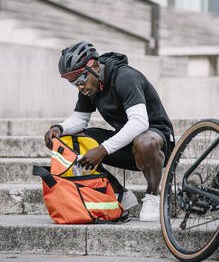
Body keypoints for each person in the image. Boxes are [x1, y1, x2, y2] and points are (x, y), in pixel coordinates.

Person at [45, 41, 175, 221]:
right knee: (70, 140)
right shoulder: (91, 86)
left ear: (95, 66)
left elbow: (139, 123)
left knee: (144, 142)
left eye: (81, 79)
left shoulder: (125, 77)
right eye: (74, 83)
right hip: (128, 144)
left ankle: (153, 196)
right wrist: (59, 128)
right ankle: (118, 192)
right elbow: (80, 119)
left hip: (157, 142)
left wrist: (103, 149)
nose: (80, 86)